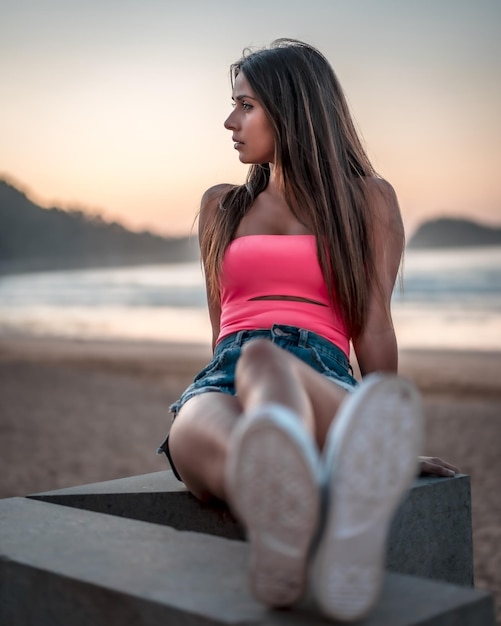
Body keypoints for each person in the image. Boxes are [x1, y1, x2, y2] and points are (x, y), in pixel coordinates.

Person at [157, 39, 459, 622]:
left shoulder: (367, 200)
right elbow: (222, 330)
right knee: (194, 427)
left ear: (290, 107)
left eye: (245, 105)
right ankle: (290, 506)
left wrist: (385, 431)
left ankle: (298, 469)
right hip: (225, 377)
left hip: (315, 373)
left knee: (267, 365)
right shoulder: (221, 207)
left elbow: (372, 325)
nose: (230, 121)